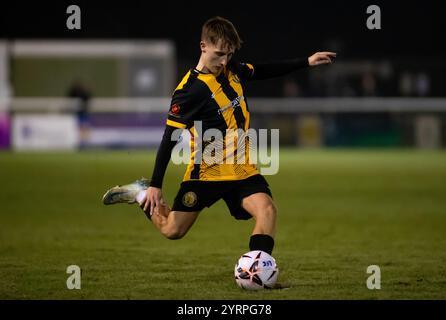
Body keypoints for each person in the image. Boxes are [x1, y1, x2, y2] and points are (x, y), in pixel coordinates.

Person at [102, 16, 335, 258]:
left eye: (229, 55)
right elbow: (169, 137)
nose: (224, 61)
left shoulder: (230, 69)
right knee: (172, 230)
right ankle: (139, 193)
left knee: (267, 211)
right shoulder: (189, 91)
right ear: (203, 47)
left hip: (242, 170)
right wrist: (154, 185)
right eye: (220, 54)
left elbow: (264, 70)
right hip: (205, 174)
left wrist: (306, 62)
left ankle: (256, 272)